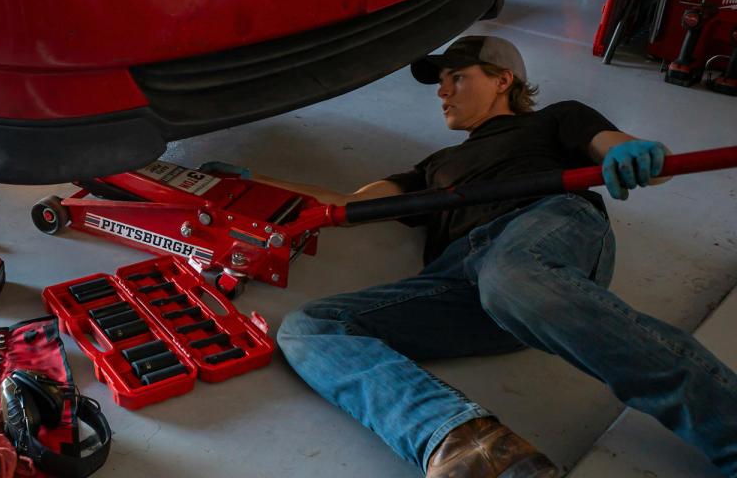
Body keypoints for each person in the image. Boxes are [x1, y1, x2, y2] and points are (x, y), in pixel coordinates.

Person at [205, 35, 737, 478]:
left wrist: (635, 153)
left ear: (503, 79)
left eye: (456, 76)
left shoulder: (553, 119)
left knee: (511, 279)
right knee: (310, 328)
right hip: (463, 278)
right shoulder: (435, 165)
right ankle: (471, 449)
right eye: (440, 83)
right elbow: (348, 205)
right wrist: (251, 183)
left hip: (544, 227)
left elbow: (618, 148)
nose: (442, 91)